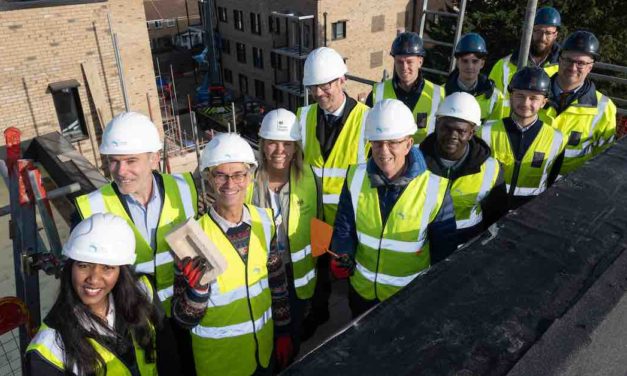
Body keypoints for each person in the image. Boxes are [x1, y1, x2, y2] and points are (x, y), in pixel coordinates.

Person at [171, 133, 293, 375]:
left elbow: (277, 284)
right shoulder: (191, 239)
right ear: (208, 177)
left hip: (264, 354)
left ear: (249, 177)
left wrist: (283, 331)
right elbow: (182, 321)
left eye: (238, 174)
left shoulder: (264, 221)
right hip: (221, 364)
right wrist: (196, 293)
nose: (230, 184)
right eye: (221, 175)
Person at [331, 99, 457, 318]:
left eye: (393, 143)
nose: (383, 151)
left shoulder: (435, 189)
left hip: (407, 298)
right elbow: (344, 226)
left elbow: (443, 253)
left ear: (408, 144)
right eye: (377, 143)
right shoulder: (355, 177)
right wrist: (343, 252)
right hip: (362, 292)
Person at [74, 112, 198, 314]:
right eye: (114, 161)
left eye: (131, 161)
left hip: (183, 310)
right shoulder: (92, 208)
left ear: (154, 158)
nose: (121, 171)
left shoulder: (184, 188)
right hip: (132, 317)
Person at [26, 213, 177, 375]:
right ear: (70, 267)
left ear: (121, 270)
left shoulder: (143, 291)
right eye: (83, 265)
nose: (94, 279)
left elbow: (169, 359)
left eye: (107, 268)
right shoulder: (49, 351)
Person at [297, 46, 370, 338]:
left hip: (350, 220)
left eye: (325, 85)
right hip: (315, 216)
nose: (318, 93)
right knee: (319, 272)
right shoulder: (302, 118)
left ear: (342, 80)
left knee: (350, 270)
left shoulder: (366, 119)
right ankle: (319, 311)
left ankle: (358, 321)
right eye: (313, 87)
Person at [247, 109, 322, 357]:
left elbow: (320, 224)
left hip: (296, 275)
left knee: (293, 335)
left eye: (287, 144)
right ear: (263, 145)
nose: (280, 150)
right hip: (261, 276)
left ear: (296, 147)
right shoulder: (248, 183)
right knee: (266, 334)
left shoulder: (311, 178)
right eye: (273, 143)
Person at [420, 92, 507, 246]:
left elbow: (495, 213)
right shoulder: (414, 161)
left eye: (461, 131)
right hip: (423, 245)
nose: (453, 136)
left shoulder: (491, 169)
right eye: (446, 128)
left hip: (467, 247)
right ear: (436, 125)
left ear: (472, 133)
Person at [479, 67, 566, 210]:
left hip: (529, 215)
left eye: (533, 98)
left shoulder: (557, 139)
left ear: (544, 102)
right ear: (511, 96)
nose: (526, 103)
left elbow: (551, 180)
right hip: (489, 210)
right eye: (520, 95)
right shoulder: (486, 132)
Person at [541, 30, 617, 176]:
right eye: (568, 60)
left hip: (569, 189)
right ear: (560, 59)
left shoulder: (603, 107)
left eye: (581, 63)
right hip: (527, 183)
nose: (573, 67)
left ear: (590, 67)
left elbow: (603, 160)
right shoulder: (533, 94)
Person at [366, 32, 445, 144]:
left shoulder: (438, 94)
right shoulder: (378, 93)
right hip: (388, 158)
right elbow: (366, 131)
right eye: (399, 62)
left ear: (420, 61)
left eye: (409, 62)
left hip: (425, 158)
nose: (404, 67)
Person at [489, 7, 562, 100]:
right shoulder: (504, 65)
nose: (543, 38)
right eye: (538, 31)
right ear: (530, 31)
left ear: (555, 35)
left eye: (548, 33)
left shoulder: (563, 67)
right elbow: (489, 103)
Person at [445, 33, 506, 122]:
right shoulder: (442, 93)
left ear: (482, 63)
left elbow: (494, 131)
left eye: (475, 61)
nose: (470, 66)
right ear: (457, 62)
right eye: (465, 61)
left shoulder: (495, 97)